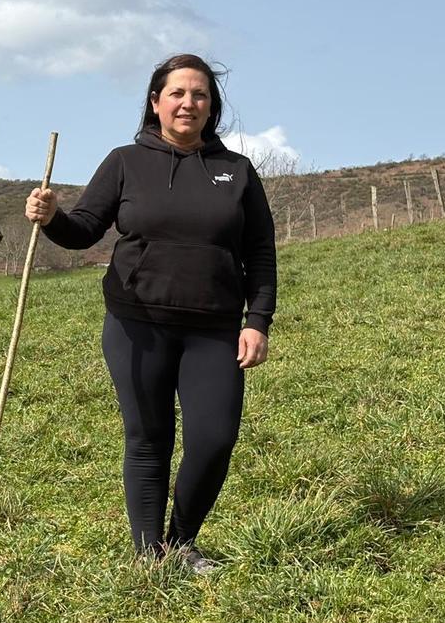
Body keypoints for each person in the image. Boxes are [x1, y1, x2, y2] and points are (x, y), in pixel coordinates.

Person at [25, 54, 276, 573]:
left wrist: (258, 321)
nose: (189, 102)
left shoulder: (237, 172)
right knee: (148, 436)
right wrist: (52, 218)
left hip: (214, 328)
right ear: (156, 102)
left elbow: (261, 252)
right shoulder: (124, 162)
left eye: (200, 94)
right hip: (137, 324)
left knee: (214, 437)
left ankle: (183, 540)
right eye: (178, 93)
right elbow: (84, 230)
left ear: (212, 107)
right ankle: (149, 555)